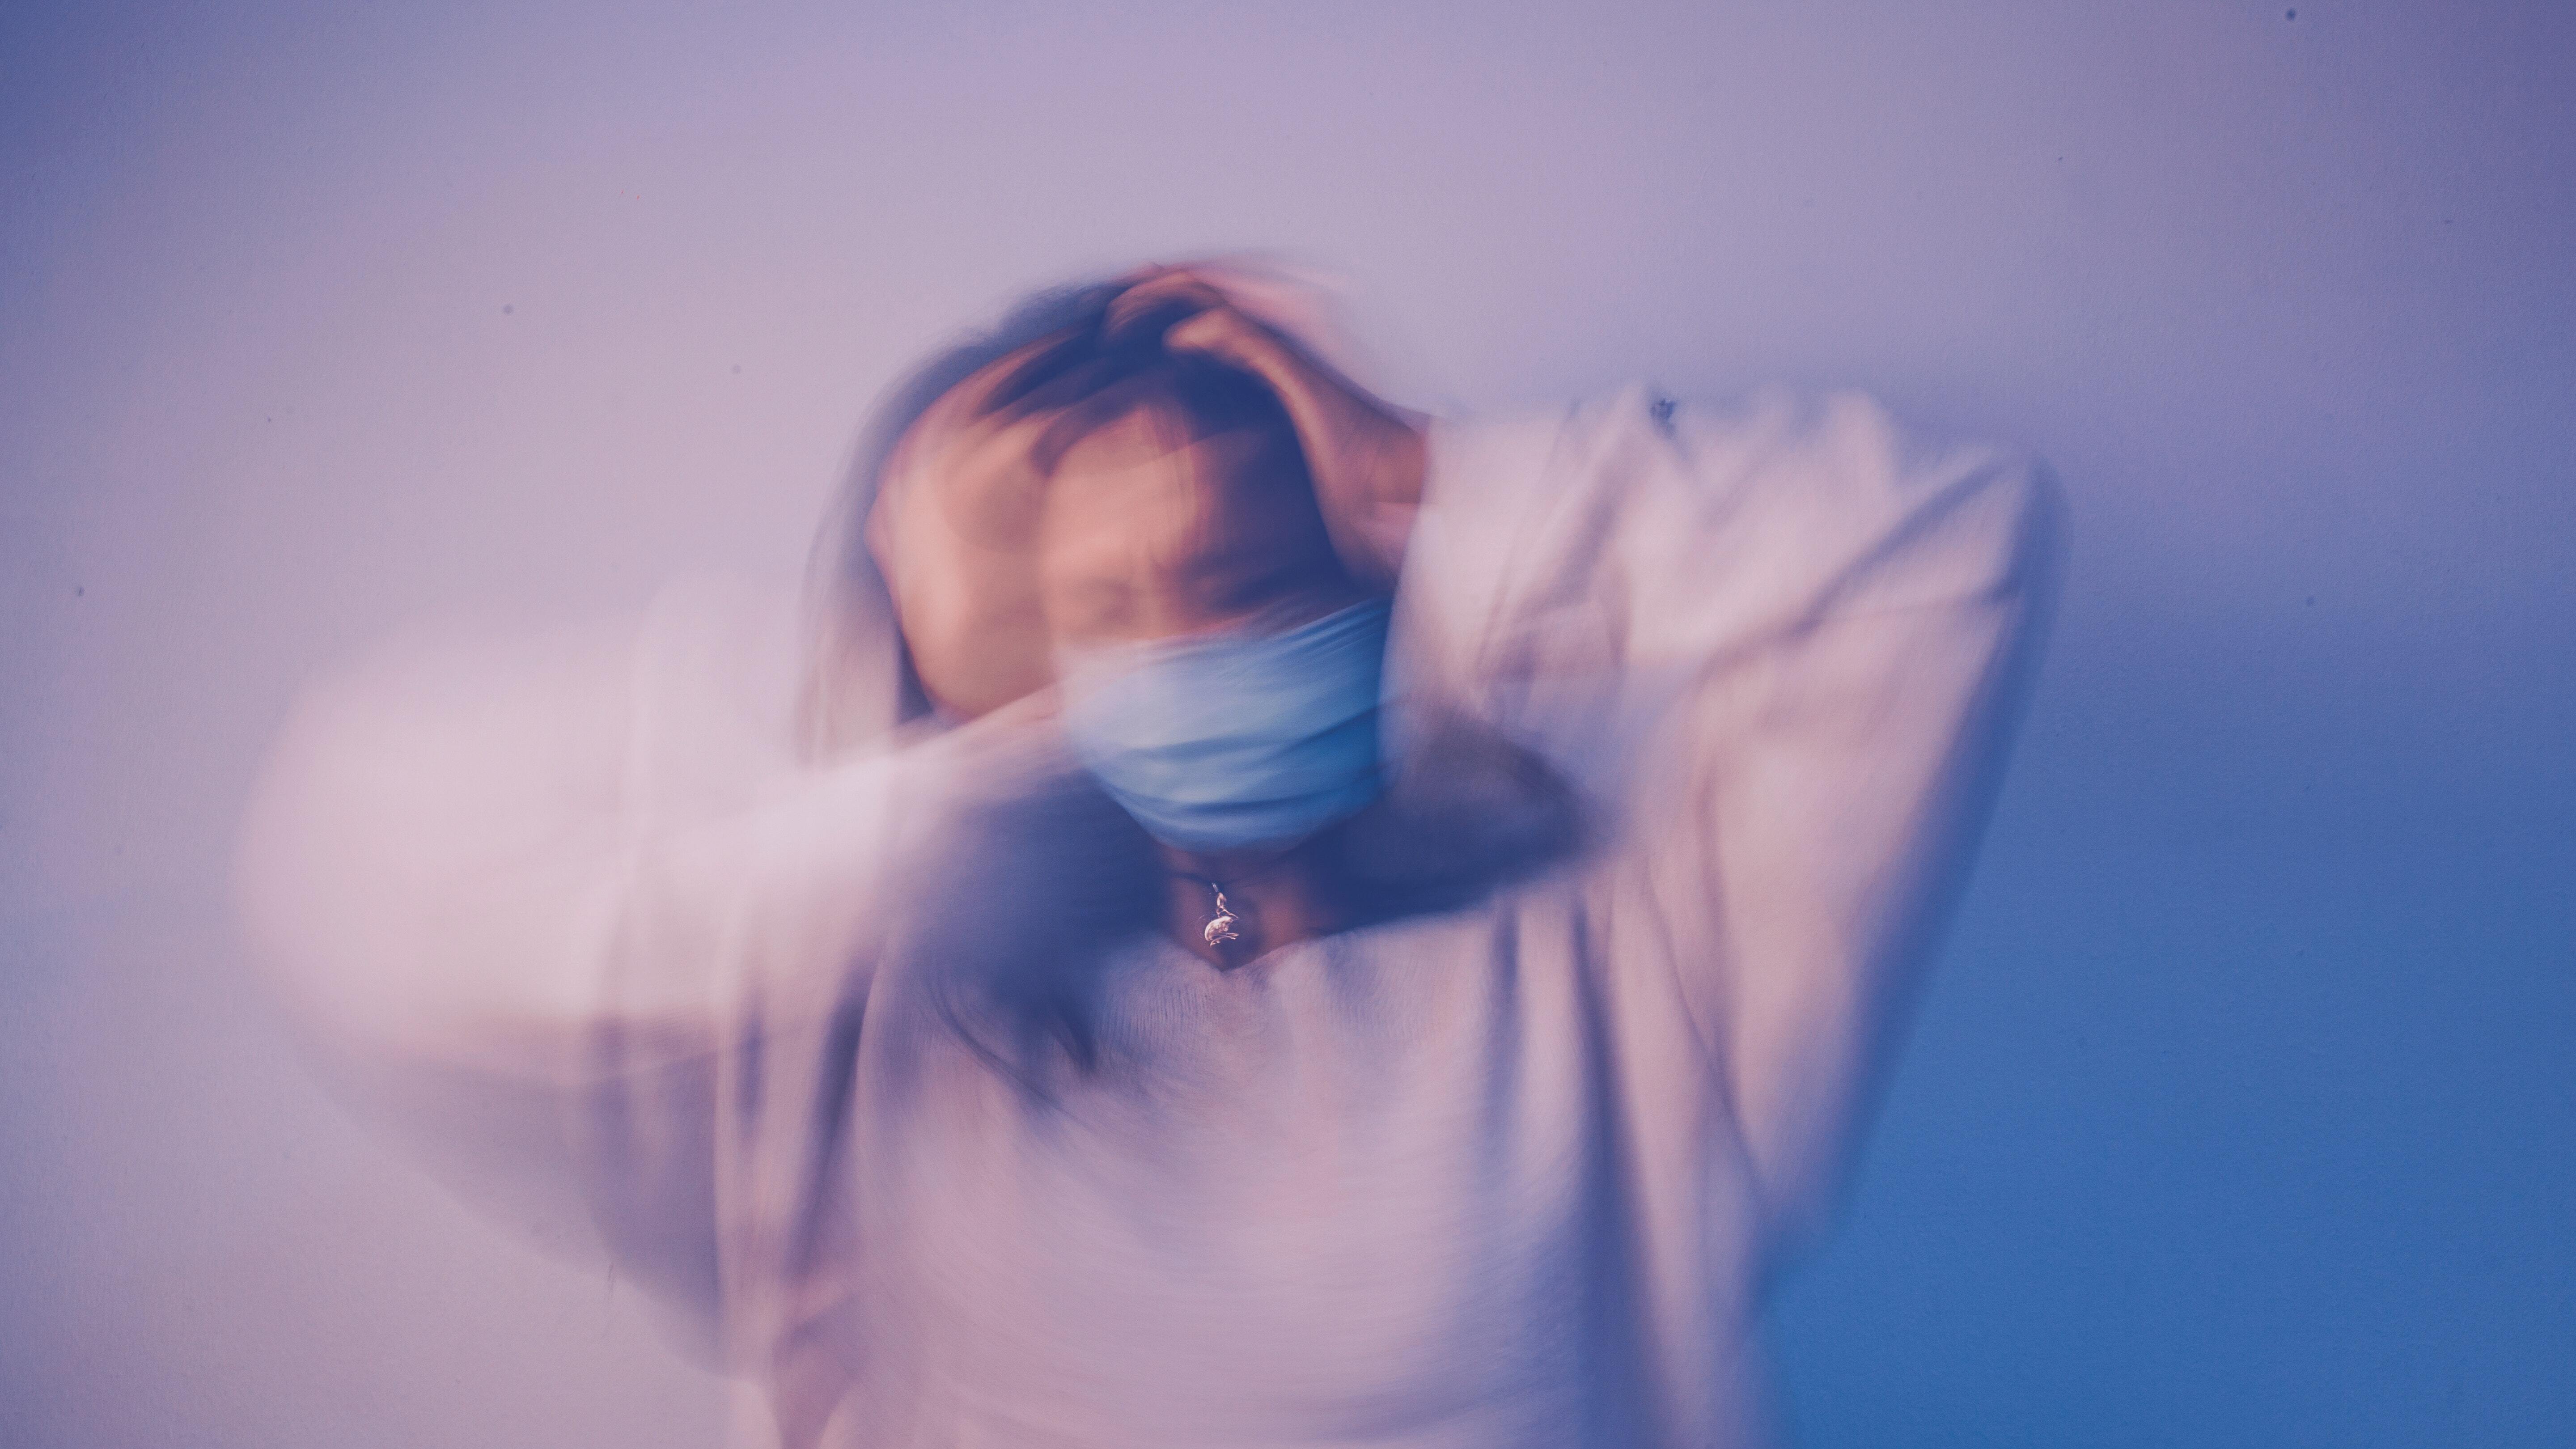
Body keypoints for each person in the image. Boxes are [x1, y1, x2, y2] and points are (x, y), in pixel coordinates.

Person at [238, 263, 2061, 1448]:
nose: (1188, 647)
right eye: (1102, 607)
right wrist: (932, 715)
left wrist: (1430, 472)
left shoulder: (1619, 953)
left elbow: (1938, 551)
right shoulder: (853, 1010)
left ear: (1373, 587)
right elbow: (368, 873)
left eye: (1252, 577)